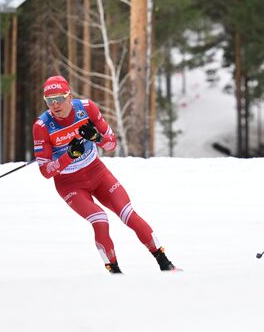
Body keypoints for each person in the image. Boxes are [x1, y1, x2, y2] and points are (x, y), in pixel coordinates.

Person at [33, 75, 177, 273]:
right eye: (49, 101)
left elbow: (111, 143)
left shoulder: (86, 108)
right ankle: (115, 272)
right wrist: (69, 156)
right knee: (100, 220)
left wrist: (97, 137)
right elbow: (45, 171)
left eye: (59, 98)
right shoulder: (41, 126)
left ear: (69, 96)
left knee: (128, 213)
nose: (55, 105)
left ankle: (165, 263)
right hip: (70, 183)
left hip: (96, 172)